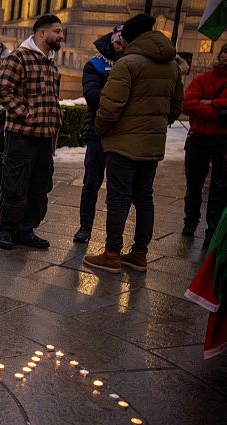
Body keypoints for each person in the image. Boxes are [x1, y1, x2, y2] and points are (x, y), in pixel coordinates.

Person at [84, 14, 184, 273]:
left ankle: (112, 254)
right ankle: (139, 253)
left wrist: (102, 129)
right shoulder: (172, 65)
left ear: (131, 38)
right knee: (144, 197)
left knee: (118, 198)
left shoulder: (127, 64)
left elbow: (109, 107)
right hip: (152, 145)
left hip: (123, 144)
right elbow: (175, 109)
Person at [0, 15, 64, 251]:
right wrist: (27, 113)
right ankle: (6, 229)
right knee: (15, 182)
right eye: (57, 31)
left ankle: (26, 230)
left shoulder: (51, 62)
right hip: (22, 135)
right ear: (42, 33)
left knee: (39, 186)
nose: (61, 36)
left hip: (45, 137)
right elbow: (2, 91)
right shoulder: (18, 57)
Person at [73, 25, 126, 244]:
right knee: (91, 183)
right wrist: (120, 97)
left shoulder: (131, 62)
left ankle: (114, 237)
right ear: (112, 41)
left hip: (122, 134)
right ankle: (85, 227)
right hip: (97, 132)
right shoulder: (95, 64)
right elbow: (92, 95)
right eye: (119, 42)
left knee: (118, 189)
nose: (121, 47)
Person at [181, 43, 227, 249]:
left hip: (223, 141)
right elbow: (188, 103)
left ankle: (212, 229)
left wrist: (211, 103)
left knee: (219, 187)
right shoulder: (204, 78)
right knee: (194, 183)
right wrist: (216, 111)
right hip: (198, 137)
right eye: (225, 51)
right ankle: (190, 221)